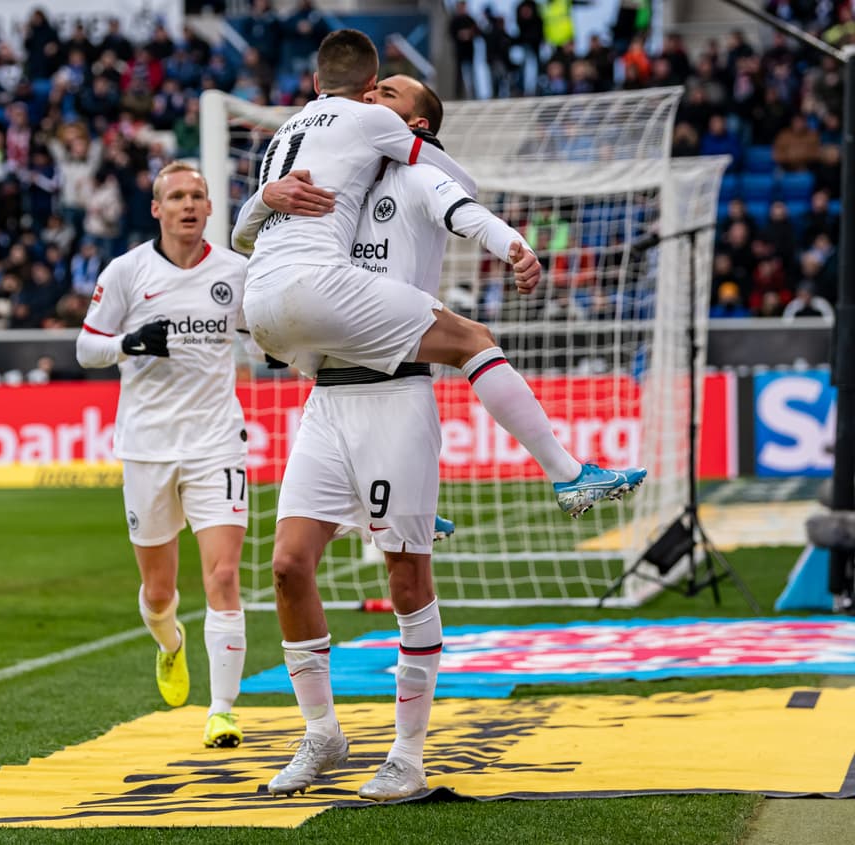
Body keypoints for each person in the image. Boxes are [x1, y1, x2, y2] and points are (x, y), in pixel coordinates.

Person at [234, 75, 644, 800]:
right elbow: (256, 238)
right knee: (289, 566)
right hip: (326, 400)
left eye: (389, 92)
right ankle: (322, 735)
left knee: (405, 578)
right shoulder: (335, 177)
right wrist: (266, 198)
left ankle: (407, 755)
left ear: (416, 124)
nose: (370, 95)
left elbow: (465, 208)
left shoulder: (419, 174)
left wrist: (513, 245)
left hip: (396, 395)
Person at [75, 162, 250, 749]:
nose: (188, 205)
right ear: (157, 209)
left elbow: (266, 332)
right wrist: (127, 343)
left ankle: (222, 710)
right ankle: (170, 643)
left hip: (216, 442)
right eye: (176, 196)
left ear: (210, 207)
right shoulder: (127, 271)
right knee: (157, 591)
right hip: (147, 446)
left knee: (223, 574)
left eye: (197, 195)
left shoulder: (236, 272)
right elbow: (85, 347)